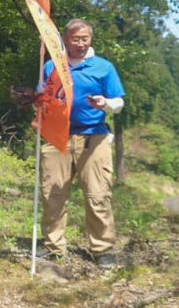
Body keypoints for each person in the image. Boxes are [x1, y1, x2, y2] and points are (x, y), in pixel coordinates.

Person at [24, 19, 125, 267]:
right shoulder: (52, 66)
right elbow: (43, 98)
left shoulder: (103, 67)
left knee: (98, 194)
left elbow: (119, 102)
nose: (80, 44)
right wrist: (34, 100)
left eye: (85, 39)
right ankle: (52, 246)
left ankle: (102, 249)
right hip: (57, 136)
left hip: (94, 137)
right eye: (75, 39)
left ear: (90, 40)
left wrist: (105, 104)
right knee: (53, 192)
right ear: (65, 40)